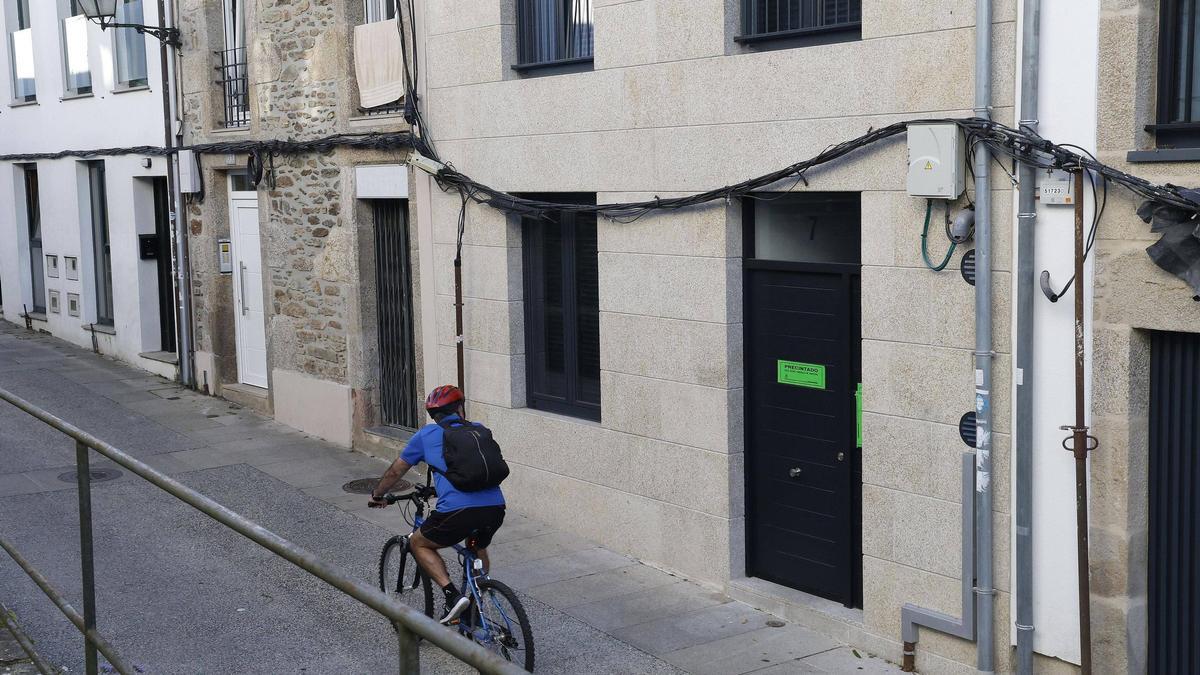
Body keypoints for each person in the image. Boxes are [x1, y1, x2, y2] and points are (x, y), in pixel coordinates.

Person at [368, 385, 506, 624]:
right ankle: (479, 595)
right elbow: (471, 469)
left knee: (418, 542)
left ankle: (453, 597)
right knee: (477, 546)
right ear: (460, 409)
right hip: (495, 508)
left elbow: (396, 471)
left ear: (434, 415)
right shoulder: (480, 430)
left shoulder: (426, 435)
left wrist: (378, 494)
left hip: (458, 511)